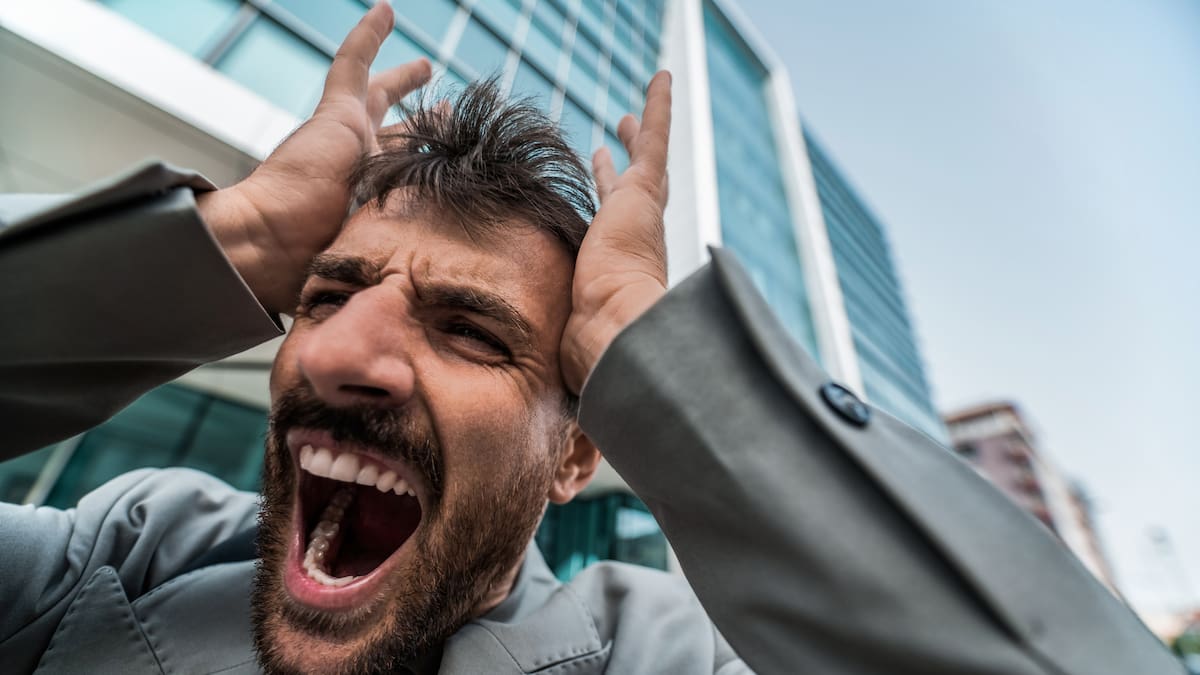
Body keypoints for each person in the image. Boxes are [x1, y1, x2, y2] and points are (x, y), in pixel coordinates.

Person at [0, 4, 1182, 674]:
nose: (337, 356)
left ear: (577, 459)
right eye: (321, 296)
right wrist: (237, 234)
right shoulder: (126, 551)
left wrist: (639, 344)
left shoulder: (667, 660)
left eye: (469, 331)